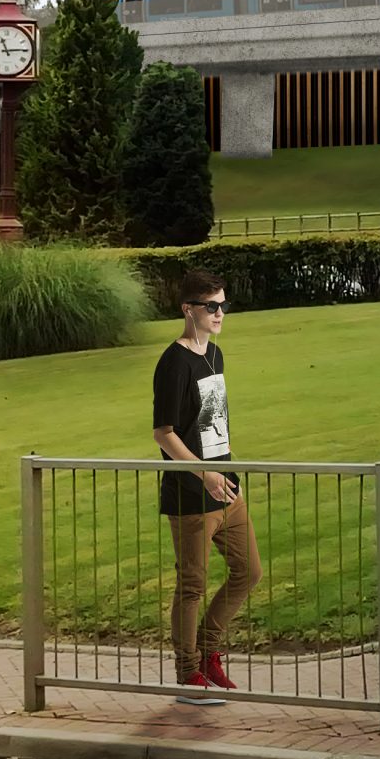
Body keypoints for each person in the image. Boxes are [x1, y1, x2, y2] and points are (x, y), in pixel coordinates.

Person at [151, 268, 259, 694]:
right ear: (188, 309)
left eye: (223, 305)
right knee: (192, 585)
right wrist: (205, 474)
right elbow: (164, 433)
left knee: (248, 571)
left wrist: (225, 473)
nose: (219, 313)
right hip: (191, 494)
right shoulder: (173, 363)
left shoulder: (215, 354)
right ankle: (187, 670)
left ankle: (208, 651)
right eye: (210, 306)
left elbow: (214, 424)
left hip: (226, 488)